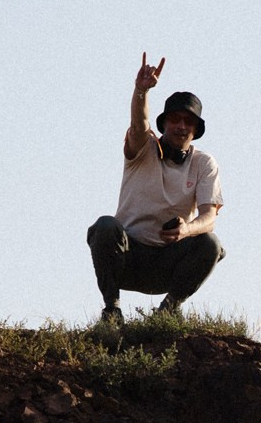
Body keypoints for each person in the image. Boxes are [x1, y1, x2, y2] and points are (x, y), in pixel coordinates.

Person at [86, 53, 224, 323]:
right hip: (127, 256)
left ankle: (166, 313)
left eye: (188, 121)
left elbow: (209, 218)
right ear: (164, 124)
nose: (181, 126)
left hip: (168, 262)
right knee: (104, 227)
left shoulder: (204, 163)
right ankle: (112, 310)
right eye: (174, 119)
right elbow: (139, 125)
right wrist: (141, 91)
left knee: (210, 244)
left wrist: (186, 229)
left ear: (196, 129)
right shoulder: (144, 148)